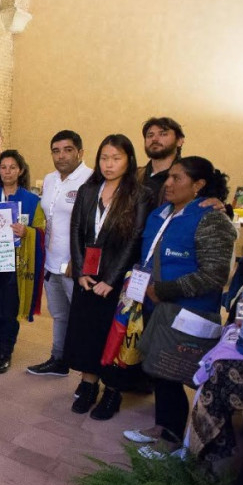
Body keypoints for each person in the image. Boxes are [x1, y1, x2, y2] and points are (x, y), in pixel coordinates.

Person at [123, 157, 236, 457]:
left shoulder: (211, 218)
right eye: (168, 177)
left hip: (186, 312)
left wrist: (164, 290)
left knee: (172, 372)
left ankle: (172, 440)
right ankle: (162, 426)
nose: (168, 184)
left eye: (177, 178)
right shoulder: (160, 214)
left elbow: (214, 275)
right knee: (158, 369)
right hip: (154, 307)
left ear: (198, 185)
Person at [64, 134, 153, 420]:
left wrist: (111, 280)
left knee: (113, 335)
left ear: (129, 161)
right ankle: (89, 386)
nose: (109, 164)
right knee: (86, 333)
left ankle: (112, 392)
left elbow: (135, 239)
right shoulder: (88, 190)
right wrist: (80, 271)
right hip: (88, 276)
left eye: (116, 158)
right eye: (104, 158)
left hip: (118, 279)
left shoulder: (139, 194)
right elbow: (76, 230)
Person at [27, 131, 93, 377]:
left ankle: (88, 376)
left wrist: (79, 260)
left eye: (68, 150)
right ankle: (58, 359)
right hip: (51, 260)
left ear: (80, 152)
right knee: (60, 315)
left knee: (84, 320)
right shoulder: (50, 179)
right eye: (56, 151)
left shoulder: (91, 179)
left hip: (76, 265)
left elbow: (94, 226)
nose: (61, 156)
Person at [0, 150, 45, 374]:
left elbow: (41, 231)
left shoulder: (32, 200)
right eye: (3, 167)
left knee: (8, 310)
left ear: (20, 170)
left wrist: (27, 232)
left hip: (16, 263)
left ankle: (5, 352)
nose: (7, 171)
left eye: (12, 167)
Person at [138, 117, 184, 202]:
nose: (154, 139)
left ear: (179, 141)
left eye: (163, 134)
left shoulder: (190, 178)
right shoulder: (135, 176)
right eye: (150, 135)